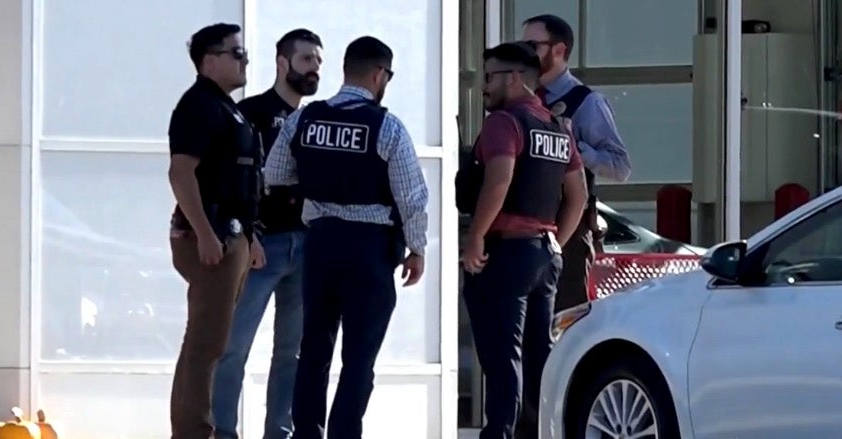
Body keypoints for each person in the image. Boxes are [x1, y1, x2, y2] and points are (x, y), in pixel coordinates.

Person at [264, 35, 429, 439]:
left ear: (344, 70)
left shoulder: (304, 119)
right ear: (379, 75)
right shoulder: (386, 126)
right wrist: (417, 248)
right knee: (359, 358)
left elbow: (275, 174)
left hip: (319, 244)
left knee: (313, 351)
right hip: (369, 250)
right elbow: (412, 196)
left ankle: (306, 432)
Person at [455, 41, 588, 439]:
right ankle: (542, 432)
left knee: (501, 355)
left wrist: (476, 237)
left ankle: (500, 432)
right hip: (543, 255)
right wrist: (556, 243)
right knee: (537, 356)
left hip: (506, 252)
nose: (484, 87)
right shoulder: (556, 127)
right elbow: (578, 194)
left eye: (491, 77)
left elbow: (500, 180)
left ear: (514, 78)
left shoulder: (504, 123)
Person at [210, 28, 323, 439]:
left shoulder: (317, 118)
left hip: (306, 246)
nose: (315, 69)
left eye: (319, 62)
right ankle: (222, 430)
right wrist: (248, 235)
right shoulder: (252, 113)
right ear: (282, 62)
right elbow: (233, 181)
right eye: (307, 59)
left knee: (291, 353)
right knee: (233, 347)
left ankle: (281, 431)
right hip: (262, 246)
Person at [166, 23, 265, 439]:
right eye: (236, 54)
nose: (244, 61)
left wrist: (251, 237)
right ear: (209, 60)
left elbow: (234, 178)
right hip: (211, 237)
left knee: (207, 342)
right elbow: (181, 172)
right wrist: (204, 233)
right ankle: (194, 432)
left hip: (232, 234)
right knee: (206, 345)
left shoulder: (226, 106)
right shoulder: (198, 105)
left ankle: (193, 429)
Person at [522, 14, 632, 313]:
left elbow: (620, 167)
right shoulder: (521, 98)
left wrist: (573, 149)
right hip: (523, 227)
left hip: (568, 229)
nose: (526, 53)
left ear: (558, 50)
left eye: (533, 45)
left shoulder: (586, 102)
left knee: (565, 319)